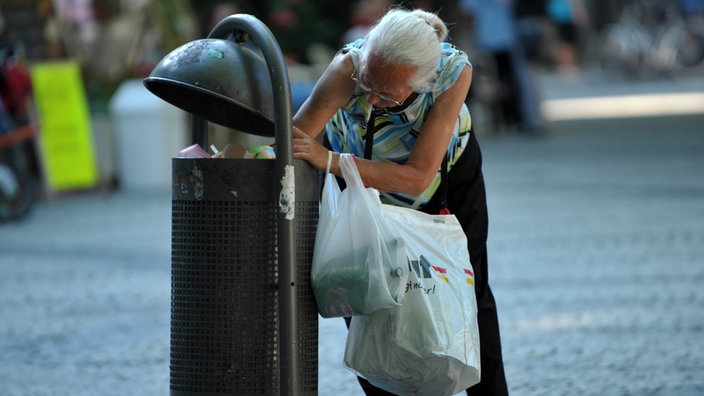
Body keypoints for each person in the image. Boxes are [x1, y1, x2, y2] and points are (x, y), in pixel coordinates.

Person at [292, 7, 508, 395]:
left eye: (388, 94)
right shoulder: (349, 67)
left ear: (422, 82)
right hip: (358, 181)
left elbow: (416, 177)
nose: (371, 100)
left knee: (468, 286)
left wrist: (330, 160)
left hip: (444, 179)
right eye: (368, 84)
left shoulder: (453, 72)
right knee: (362, 285)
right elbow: (296, 142)